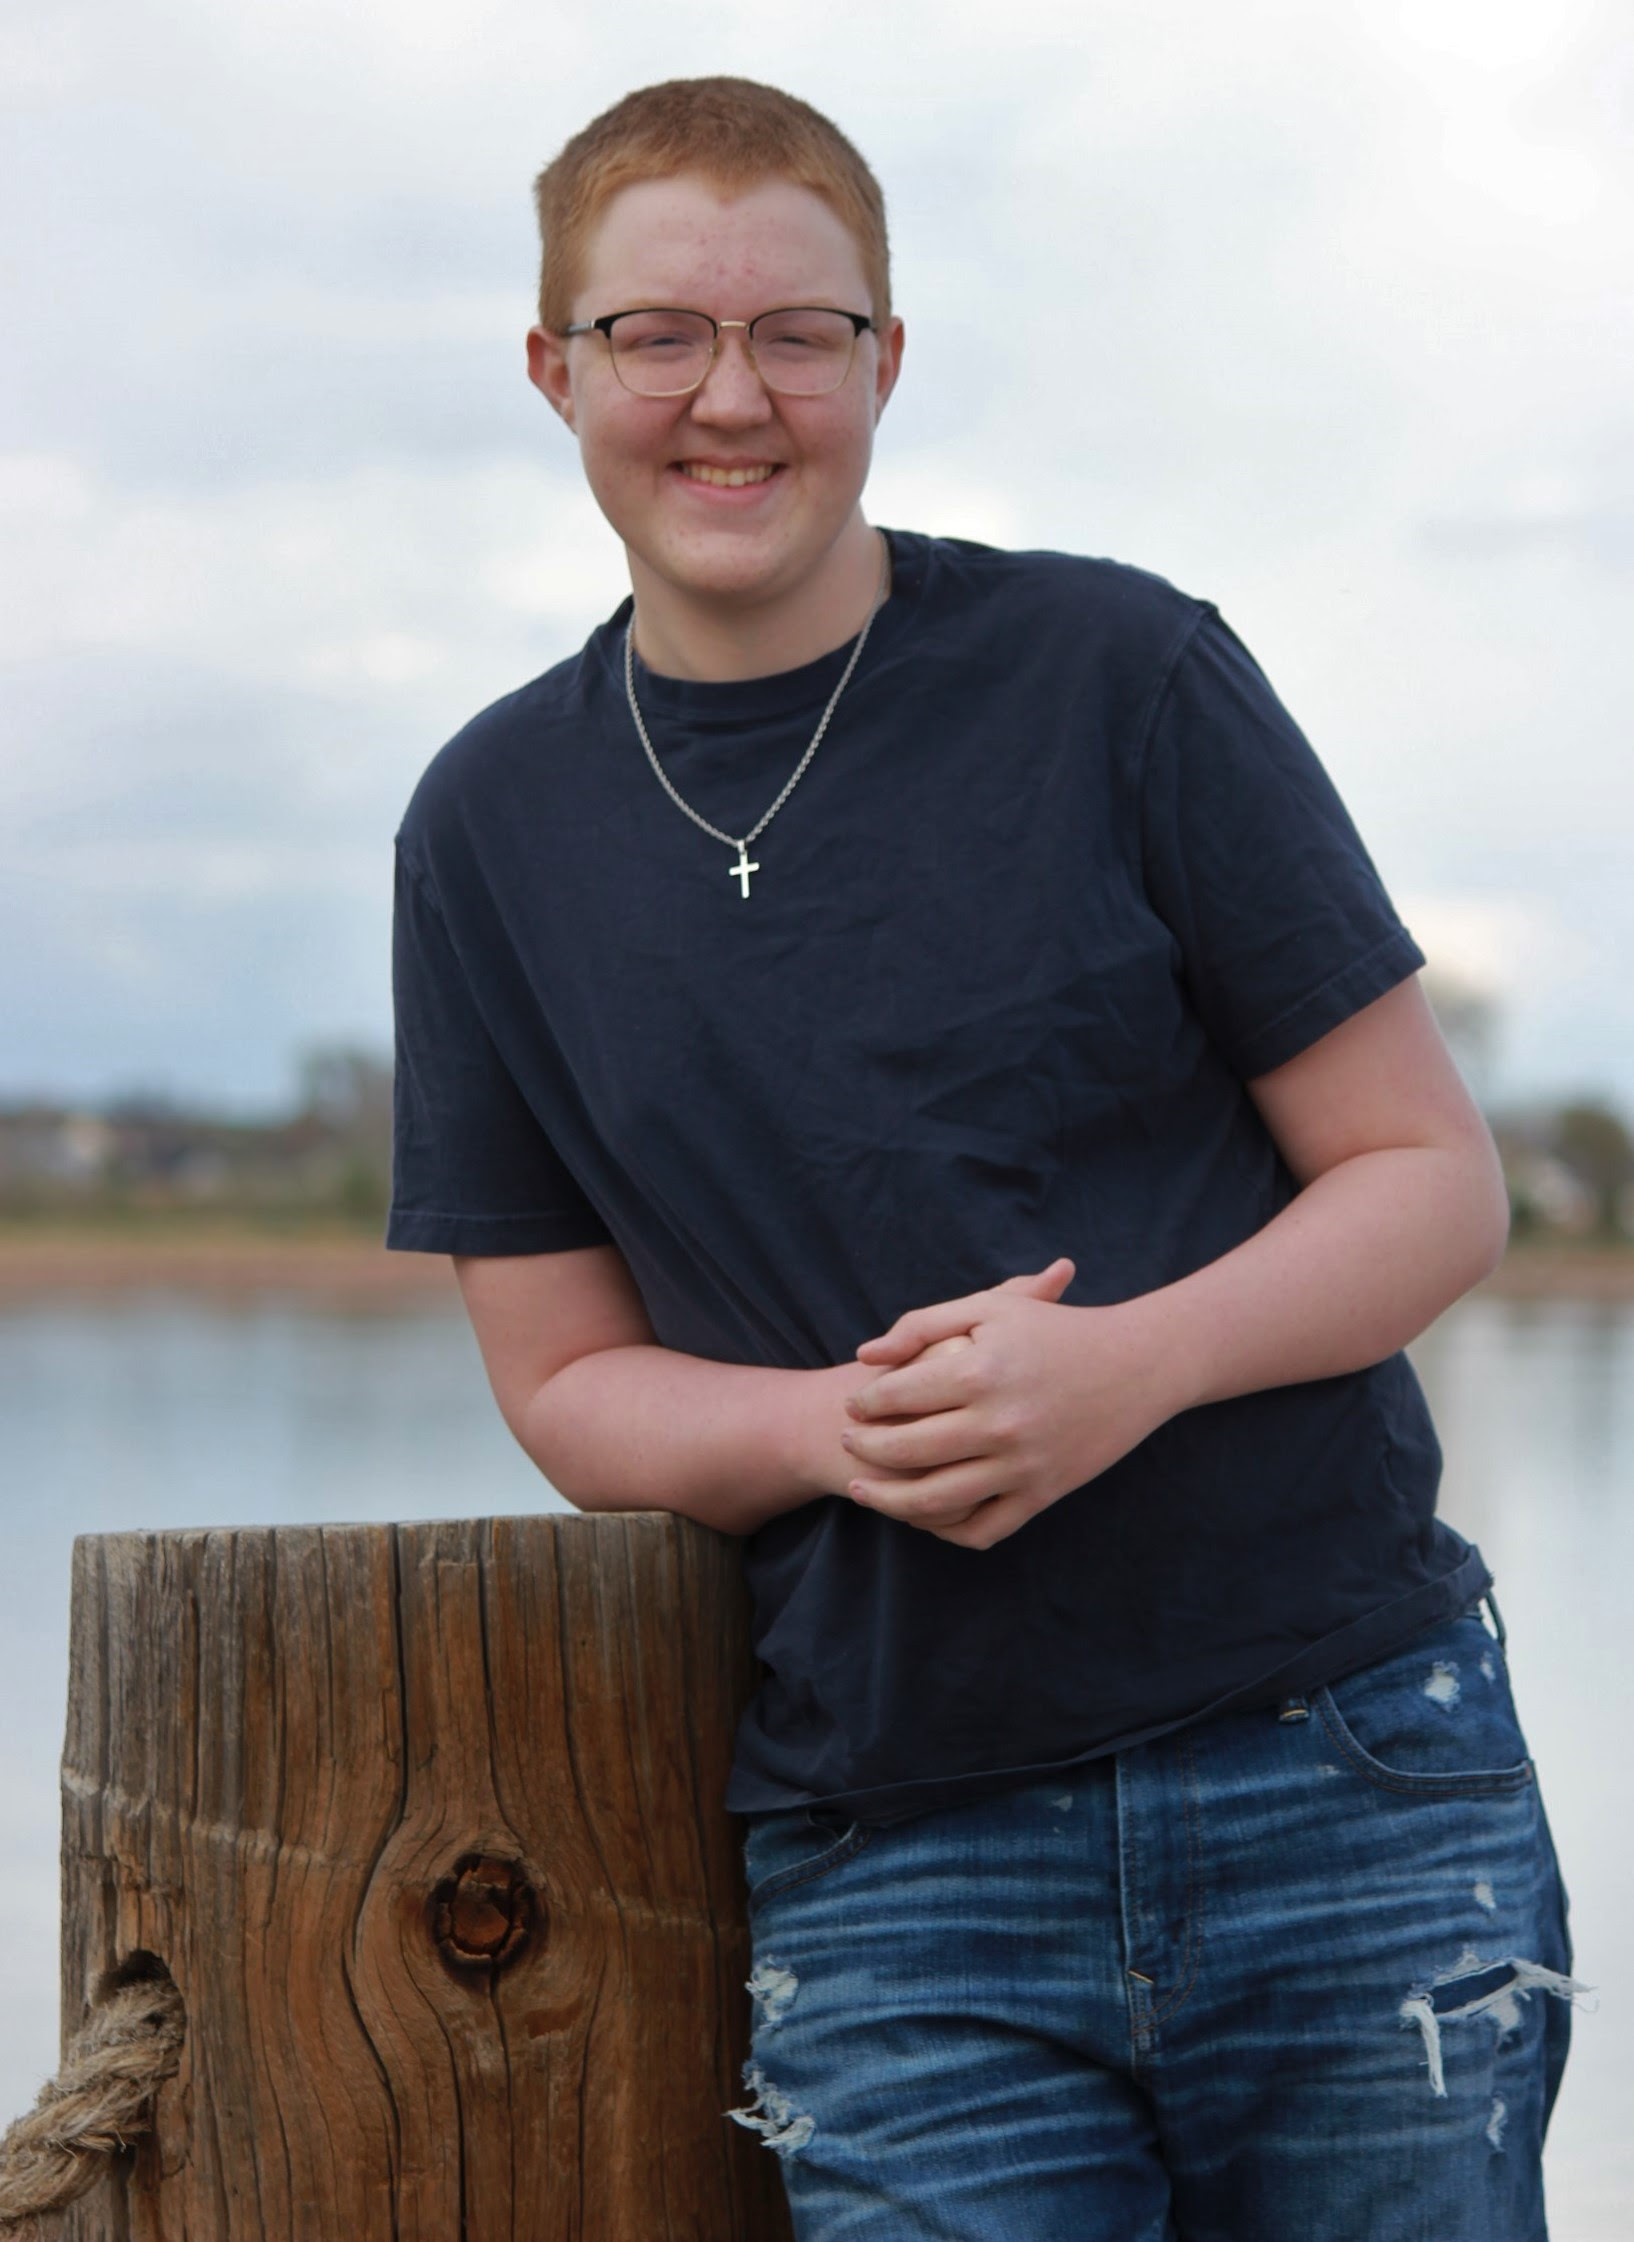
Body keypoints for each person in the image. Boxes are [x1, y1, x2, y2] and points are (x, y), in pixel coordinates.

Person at [387, 74, 1577, 2242]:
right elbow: (563, 1381)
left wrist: (1128, 1365)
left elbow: (1427, 1178)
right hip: (900, 1851)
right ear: (554, 368)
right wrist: (831, 1431)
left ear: (885, 361)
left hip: (1342, 1768)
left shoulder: (1121, 673)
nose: (729, 396)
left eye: (798, 333)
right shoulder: (486, 828)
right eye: (657, 334)